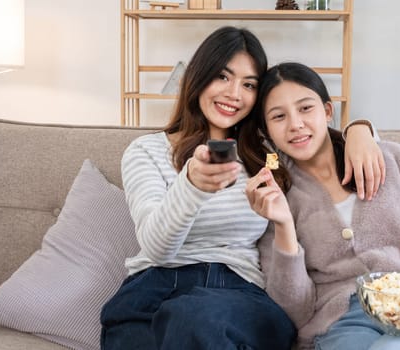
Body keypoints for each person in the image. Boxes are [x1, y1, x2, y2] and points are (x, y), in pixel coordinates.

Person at [100, 27, 384, 349]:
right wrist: (191, 186)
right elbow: (156, 249)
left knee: (194, 318)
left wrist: (360, 129)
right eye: (223, 77)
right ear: (198, 76)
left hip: (237, 294)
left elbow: (314, 139)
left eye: (248, 84)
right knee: (168, 326)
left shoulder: (266, 154)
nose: (235, 94)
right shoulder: (146, 151)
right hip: (153, 290)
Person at [244, 62, 400, 350]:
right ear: (267, 130)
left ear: (328, 111)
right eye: (279, 116)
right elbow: (295, 310)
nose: (295, 124)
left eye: (306, 108)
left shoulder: (390, 158)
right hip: (343, 324)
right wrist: (284, 225)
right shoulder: (276, 195)